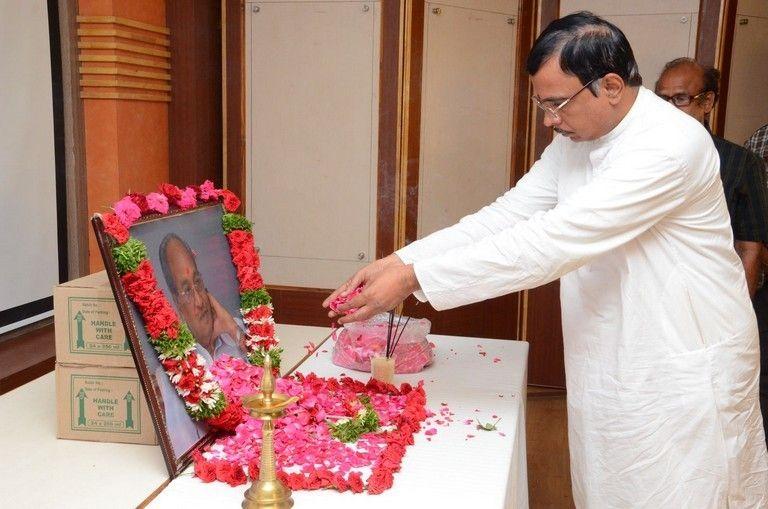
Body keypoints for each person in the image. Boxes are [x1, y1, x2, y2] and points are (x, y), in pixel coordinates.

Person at [324, 11, 768, 507]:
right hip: (611, 346)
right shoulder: (577, 138)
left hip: (681, 357)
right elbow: (511, 214)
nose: (548, 119)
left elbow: (551, 242)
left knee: (679, 490)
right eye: (542, 103)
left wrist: (413, 279)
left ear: (612, 86)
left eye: (558, 103)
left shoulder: (670, 145)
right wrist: (399, 261)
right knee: (609, 484)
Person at [655, 58, 768, 298]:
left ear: (707, 101)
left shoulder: (741, 163)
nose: (669, 109)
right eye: (662, 100)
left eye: (680, 99)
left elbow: (749, 249)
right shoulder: (643, 158)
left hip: (712, 294)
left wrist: (739, 309)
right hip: (657, 292)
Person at [154, 233, 248, 454]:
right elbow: (186, 452)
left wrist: (234, 331)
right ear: (175, 301)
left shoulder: (237, 332)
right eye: (186, 290)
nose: (199, 301)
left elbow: (274, 389)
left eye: (198, 282)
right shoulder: (173, 373)